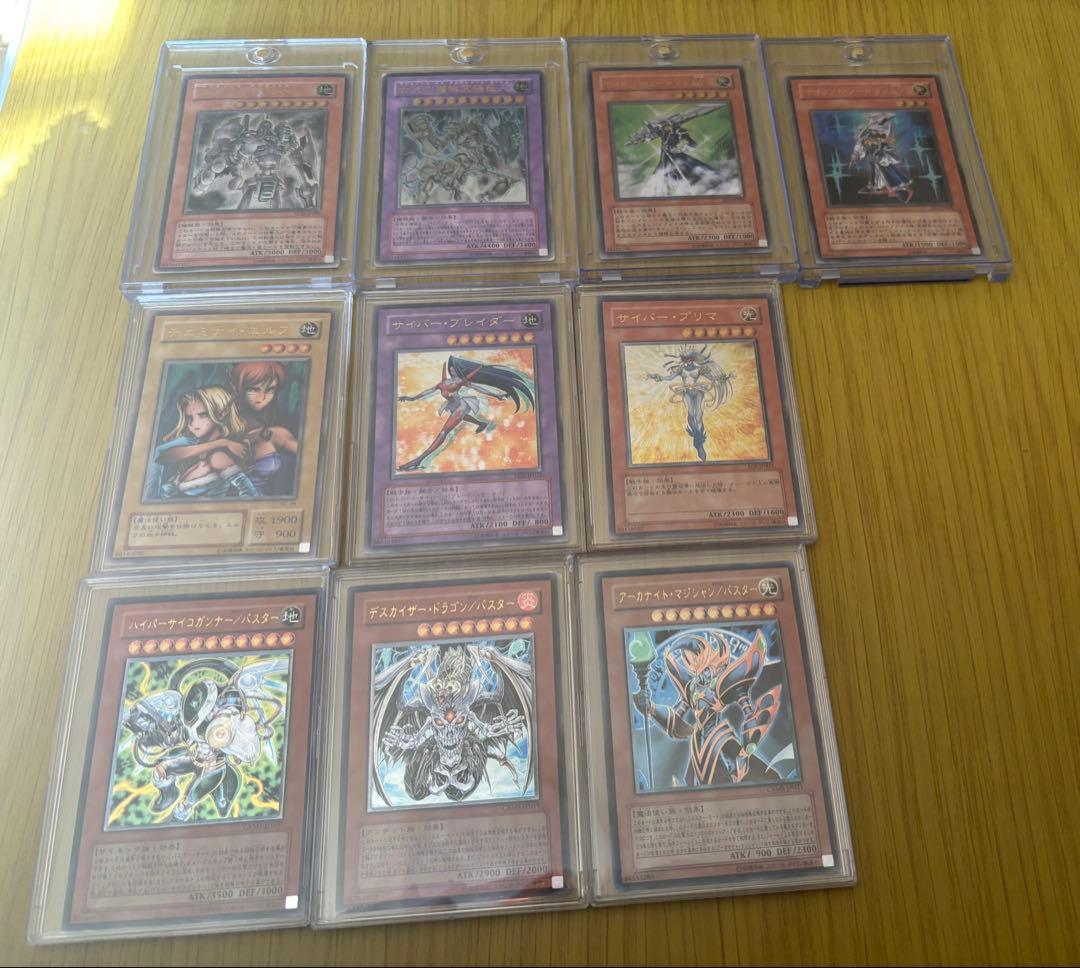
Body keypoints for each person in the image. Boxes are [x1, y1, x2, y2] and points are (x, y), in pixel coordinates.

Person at [149, 385, 258, 498]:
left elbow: (250, 495)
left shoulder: (219, 457)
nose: (193, 424)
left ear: (221, 414)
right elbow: (162, 457)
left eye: (203, 415)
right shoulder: (195, 444)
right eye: (189, 417)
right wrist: (222, 442)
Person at [228, 361, 299, 496]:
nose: (263, 397)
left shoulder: (275, 433)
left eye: (270, 389)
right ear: (236, 387)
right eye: (254, 389)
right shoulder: (220, 429)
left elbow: (313, 460)